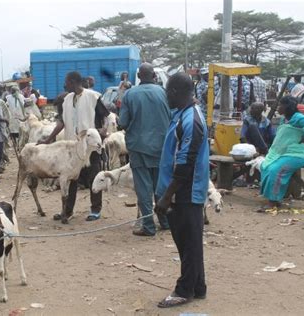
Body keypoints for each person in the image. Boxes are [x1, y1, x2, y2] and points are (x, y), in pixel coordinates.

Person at [154, 72, 209, 308]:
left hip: (184, 191)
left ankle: (184, 290)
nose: (165, 95)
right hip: (180, 189)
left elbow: (185, 163)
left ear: (175, 92)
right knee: (190, 242)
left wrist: (167, 196)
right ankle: (198, 286)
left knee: (188, 243)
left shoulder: (191, 121)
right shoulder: (183, 115)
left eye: (167, 91)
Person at [40, 71, 109, 223]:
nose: (65, 85)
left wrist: (104, 130)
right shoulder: (67, 100)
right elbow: (61, 122)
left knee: (94, 177)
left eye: (67, 82)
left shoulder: (93, 96)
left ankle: (95, 210)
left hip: (90, 146)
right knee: (70, 179)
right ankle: (67, 211)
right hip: (72, 149)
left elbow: (105, 116)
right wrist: (49, 139)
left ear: (73, 82)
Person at [119, 63, 171, 236]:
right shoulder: (163, 93)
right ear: (154, 76)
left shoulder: (130, 94)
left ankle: (148, 225)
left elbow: (123, 122)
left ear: (139, 76)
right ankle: (165, 221)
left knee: (143, 188)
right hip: (162, 146)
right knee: (160, 186)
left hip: (138, 146)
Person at [259, 96, 304, 211]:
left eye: (280, 105)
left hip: (299, 154)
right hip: (285, 153)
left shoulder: (297, 117)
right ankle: (275, 199)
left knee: (275, 170)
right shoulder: (283, 119)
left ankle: (273, 202)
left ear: (287, 107)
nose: (278, 107)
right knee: (266, 166)